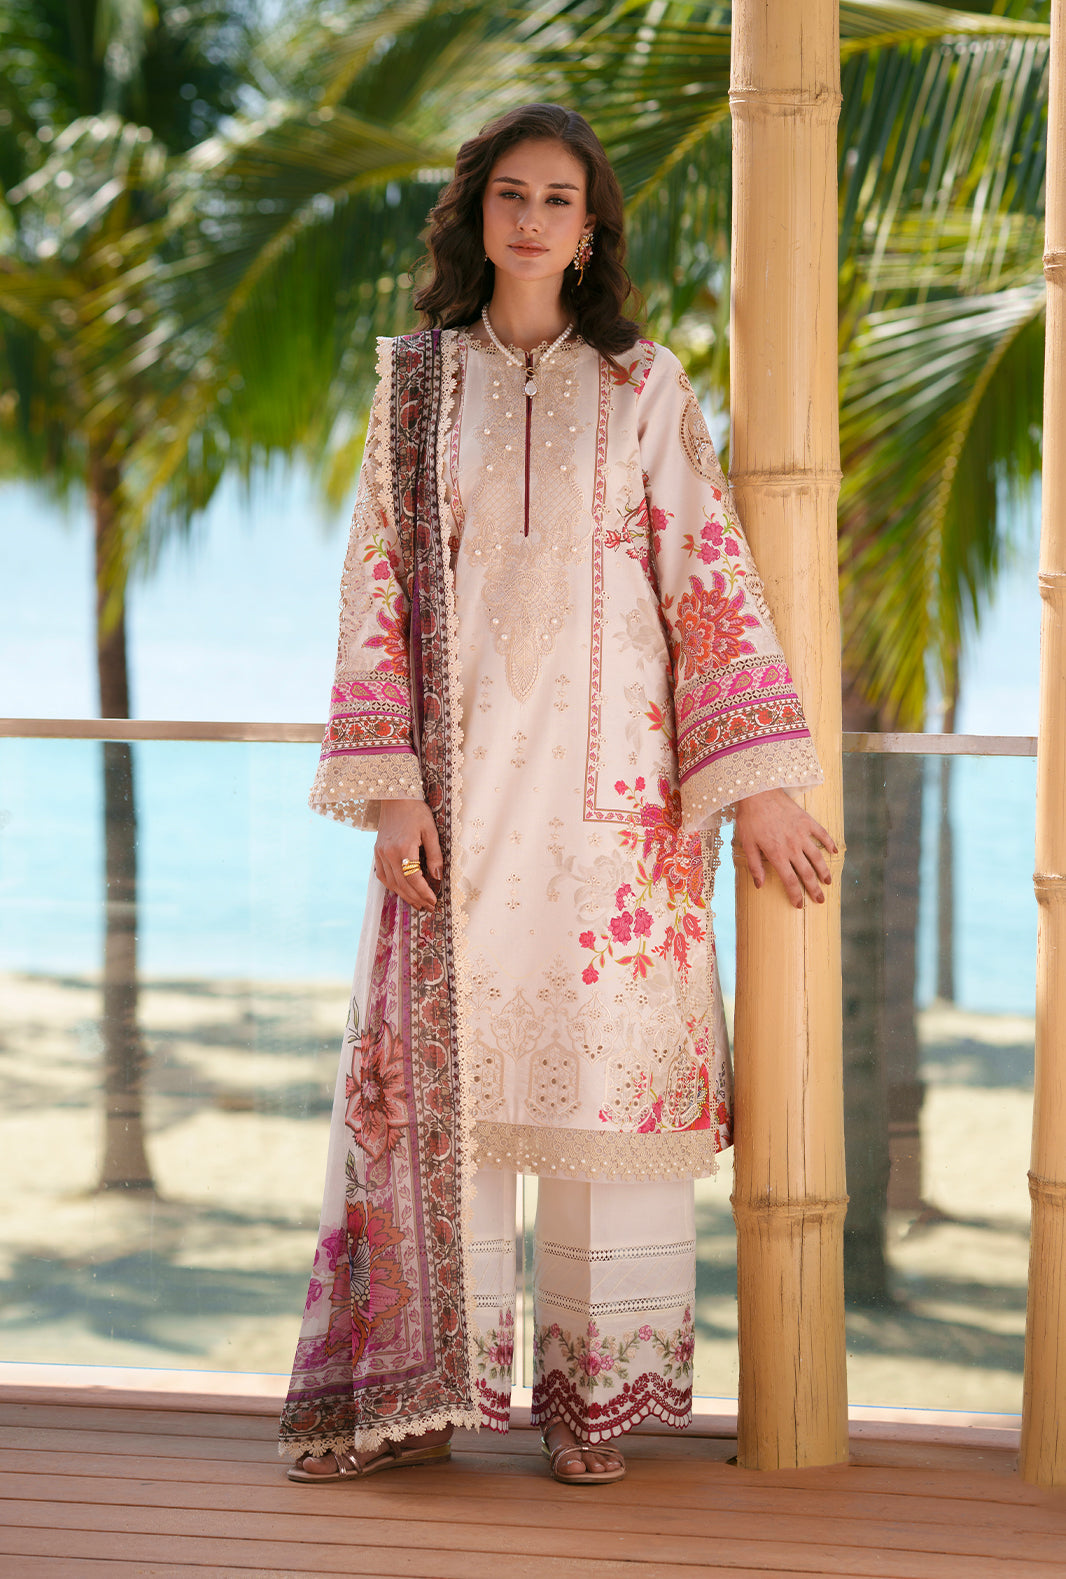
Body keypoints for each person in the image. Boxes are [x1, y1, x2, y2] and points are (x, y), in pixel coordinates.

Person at [279, 103, 835, 1487]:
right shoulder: (415, 385)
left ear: (590, 234)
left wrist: (760, 787)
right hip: (456, 807)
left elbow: (708, 582)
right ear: (477, 213)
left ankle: (594, 1400)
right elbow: (374, 586)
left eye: (558, 201)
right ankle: (409, 1396)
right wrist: (390, 793)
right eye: (511, 195)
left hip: (616, 816)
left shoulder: (646, 385)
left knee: (604, 1096)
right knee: (433, 1093)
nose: (531, 220)